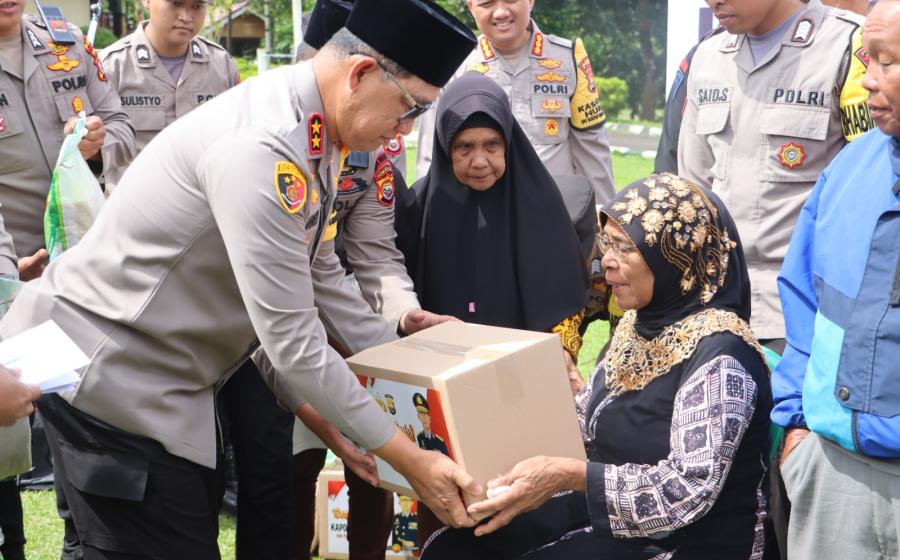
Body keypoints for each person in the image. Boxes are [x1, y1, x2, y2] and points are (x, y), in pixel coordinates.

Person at [0, 1, 481, 558]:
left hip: (162, 379)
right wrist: (409, 458)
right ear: (361, 74)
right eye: (410, 110)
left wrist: (408, 368)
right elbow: (295, 342)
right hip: (112, 381)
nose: (404, 131)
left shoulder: (313, 130)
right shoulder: (267, 144)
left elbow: (316, 272)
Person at [422, 173, 773, 560]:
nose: (605, 262)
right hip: (611, 519)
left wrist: (571, 475)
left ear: (674, 256)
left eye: (626, 248)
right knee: (460, 547)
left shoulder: (722, 355)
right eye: (607, 244)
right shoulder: (638, 326)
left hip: (689, 542)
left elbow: (686, 492)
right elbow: (582, 422)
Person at [395, 71, 588, 547]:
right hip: (442, 395)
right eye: (463, 148)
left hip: (520, 391)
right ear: (444, 147)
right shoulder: (421, 206)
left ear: (508, 144)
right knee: (446, 513)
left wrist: (559, 352)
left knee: (519, 508)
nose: (479, 161)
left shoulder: (540, 204)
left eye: (491, 145)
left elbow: (564, 297)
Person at [1, 2, 135, 557]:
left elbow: (123, 123)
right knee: (9, 432)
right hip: (11, 278)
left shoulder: (64, 43)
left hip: (79, 265)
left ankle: (81, 541)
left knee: (84, 414)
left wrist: (99, 147)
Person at [772, 1, 900, 558]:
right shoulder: (849, 169)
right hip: (834, 474)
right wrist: (796, 426)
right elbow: (803, 298)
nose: (866, 81)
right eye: (865, 60)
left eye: (886, 63)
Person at [678, 0, 869, 349]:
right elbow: (693, 191)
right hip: (717, 309)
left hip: (807, 312)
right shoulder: (709, 56)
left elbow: (872, 185)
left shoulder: (846, 45)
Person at [657, 0, 872, 174]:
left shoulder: (849, 44)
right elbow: (694, 185)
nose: (714, 2)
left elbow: (869, 172)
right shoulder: (708, 56)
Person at [101, 0, 240, 189]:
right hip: (136, 208)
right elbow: (95, 154)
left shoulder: (221, 65)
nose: (186, 16)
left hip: (203, 207)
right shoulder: (112, 66)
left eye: (197, 6)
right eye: (176, 3)